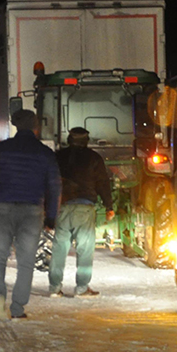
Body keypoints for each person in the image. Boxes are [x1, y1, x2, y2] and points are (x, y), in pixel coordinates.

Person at [0, 109, 61, 319]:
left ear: (15, 125)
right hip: (32, 210)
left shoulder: (1, 150)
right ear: (35, 127)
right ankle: (18, 308)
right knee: (26, 261)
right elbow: (55, 185)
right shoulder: (45, 153)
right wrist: (51, 216)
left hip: (3, 207)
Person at [48, 127, 114, 298]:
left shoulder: (58, 156)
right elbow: (103, 183)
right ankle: (82, 288)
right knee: (85, 249)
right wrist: (109, 206)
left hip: (62, 207)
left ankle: (55, 288)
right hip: (84, 208)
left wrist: (49, 208)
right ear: (86, 141)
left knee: (59, 248)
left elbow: (50, 182)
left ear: (69, 139)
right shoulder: (94, 158)